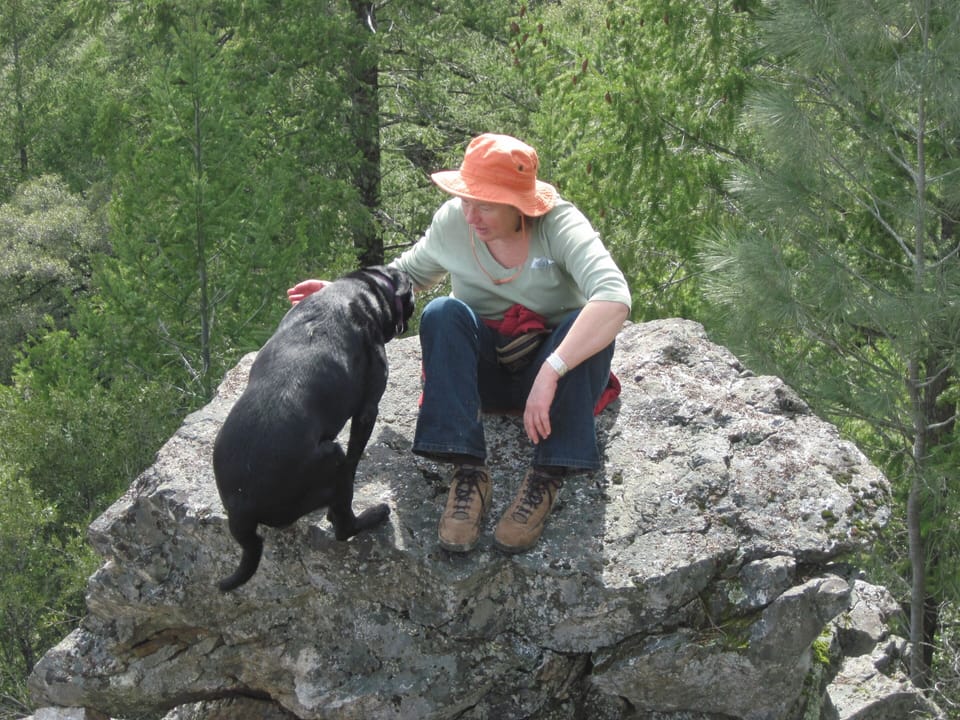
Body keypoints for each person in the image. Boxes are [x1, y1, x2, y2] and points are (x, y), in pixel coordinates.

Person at [287, 133, 631, 555]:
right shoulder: (454, 222)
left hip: (554, 381)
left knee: (587, 324)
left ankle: (547, 474)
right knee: (441, 313)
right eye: (466, 200)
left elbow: (614, 298)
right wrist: (342, 291)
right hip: (483, 373)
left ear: (520, 204)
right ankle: (468, 472)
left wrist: (552, 368)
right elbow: (405, 275)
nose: (471, 215)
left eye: (484, 204)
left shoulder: (560, 225)